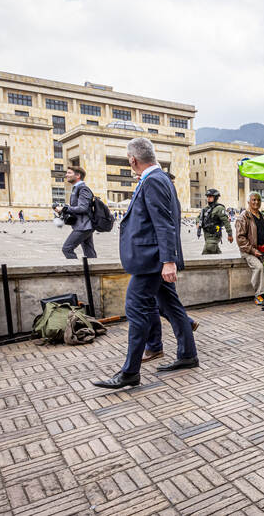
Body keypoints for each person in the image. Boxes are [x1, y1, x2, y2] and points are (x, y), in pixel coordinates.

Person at [92, 138, 198, 389]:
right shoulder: (158, 179)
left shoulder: (152, 181)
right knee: (171, 307)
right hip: (154, 260)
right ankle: (187, 355)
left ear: (133, 160)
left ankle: (130, 372)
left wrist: (168, 261)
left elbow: (164, 222)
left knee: (136, 308)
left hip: (152, 262)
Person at [236, 192, 264, 306]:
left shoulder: (263, 216)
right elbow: (240, 239)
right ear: (248, 202)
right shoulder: (243, 217)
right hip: (249, 251)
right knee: (259, 267)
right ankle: (259, 294)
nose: (256, 202)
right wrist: (253, 250)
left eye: (258, 200)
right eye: (253, 200)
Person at [56, 166, 97, 259]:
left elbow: (83, 208)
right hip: (84, 225)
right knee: (89, 252)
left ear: (78, 175)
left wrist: (65, 208)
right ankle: (92, 272)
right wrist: (62, 211)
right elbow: (77, 209)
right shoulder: (76, 189)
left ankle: (79, 272)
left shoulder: (83, 189)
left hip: (83, 226)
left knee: (67, 249)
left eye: (69, 173)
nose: (66, 175)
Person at [197, 189, 233, 254]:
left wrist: (229, 234)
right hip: (207, 235)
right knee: (215, 251)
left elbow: (226, 222)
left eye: (210, 197)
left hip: (215, 234)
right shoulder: (206, 209)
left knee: (207, 251)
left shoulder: (219, 208)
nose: (208, 198)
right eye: (207, 196)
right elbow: (198, 218)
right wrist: (197, 223)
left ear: (215, 198)